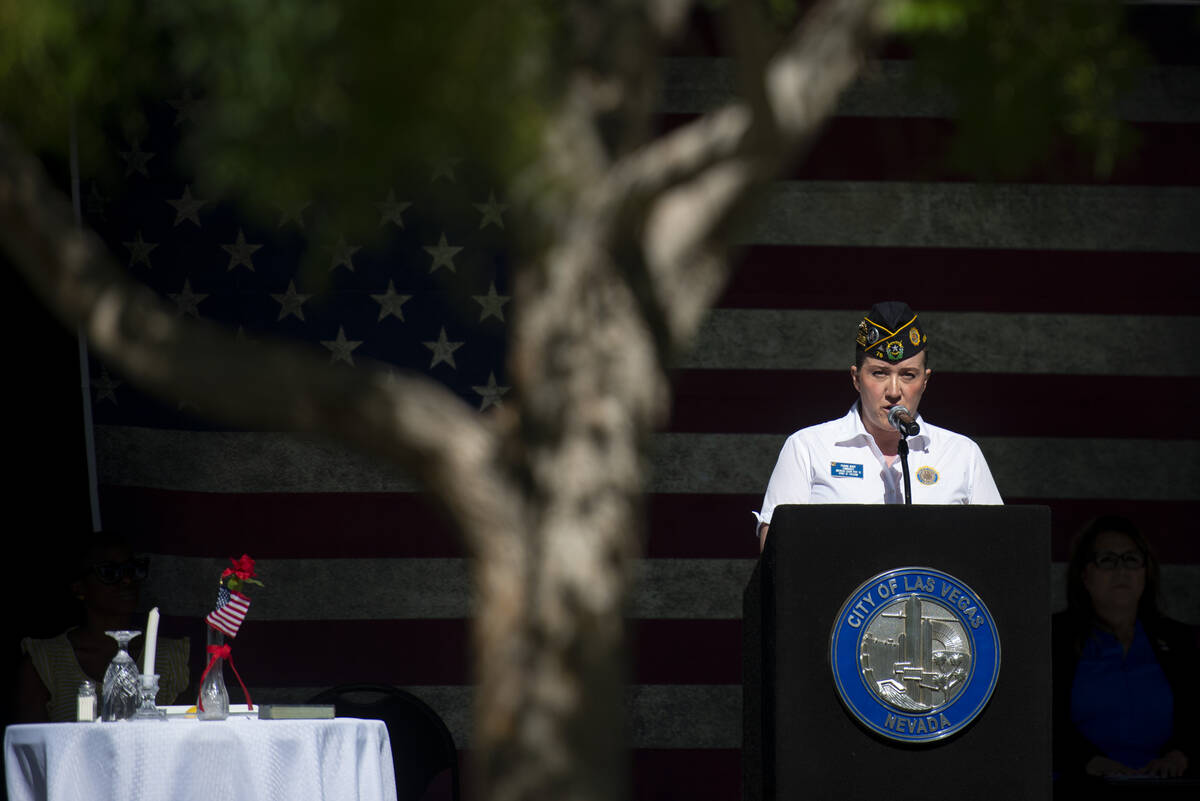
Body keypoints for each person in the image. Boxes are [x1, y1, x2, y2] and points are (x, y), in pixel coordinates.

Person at [755, 301, 1001, 551]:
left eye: (908, 375)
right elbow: (775, 554)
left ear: (925, 381)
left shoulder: (962, 454)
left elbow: (998, 546)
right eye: (879, 373)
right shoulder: (808, 448)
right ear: (856, 378)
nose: (893, 391)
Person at [1052, 515, 1197, 782]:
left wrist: (1180, 755)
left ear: (1146, 572)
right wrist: (1087, 761)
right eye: (1107, 560)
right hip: (1081, 785)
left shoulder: (1182, 642)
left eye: (1131, 559)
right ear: (1084, 575)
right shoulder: (1054, 639)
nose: (1121, 570)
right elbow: (1040, 723)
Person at [17, 531, 191, 722]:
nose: (127, 580)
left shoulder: (169, 657)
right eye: (109, 572)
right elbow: (31, 738)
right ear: (79, 587)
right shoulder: (46, 661)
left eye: (132, 569)